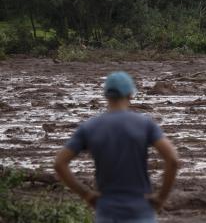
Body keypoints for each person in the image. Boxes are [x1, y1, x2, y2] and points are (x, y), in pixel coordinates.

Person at [54, 71, 179, 223]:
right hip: (140, 210)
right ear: (130, 95)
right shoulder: (145, 124)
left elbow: (60, 164)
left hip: (107, 210)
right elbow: (172, 160)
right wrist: (161, 197)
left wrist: (86, 194)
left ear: (106, 95)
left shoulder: (90, 127)